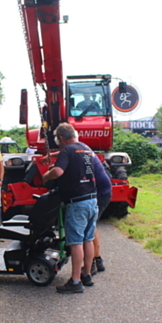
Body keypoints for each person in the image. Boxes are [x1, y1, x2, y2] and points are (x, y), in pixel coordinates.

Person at [42, 123, 97, 293]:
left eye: (58, 140)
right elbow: (75, 157)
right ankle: (86, 274)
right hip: (92, 199)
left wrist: (46, 176)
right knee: (88, 239)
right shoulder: (86, 148)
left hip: (77, 202)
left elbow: (58, 172)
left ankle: (75, 282)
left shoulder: (67, 150)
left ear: (61, 138)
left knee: (75, 243)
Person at [91, 154, 112, 274]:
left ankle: (91, 264)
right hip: (103, 191)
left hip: (100, 193)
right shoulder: (83, 149)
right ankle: (97, 260)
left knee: (87, 227)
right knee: (92, 226)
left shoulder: (73, 152)